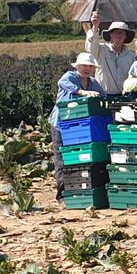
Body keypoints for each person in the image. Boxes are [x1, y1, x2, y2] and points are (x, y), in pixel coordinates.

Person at [49, 53, 105, 201]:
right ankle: (62, 194)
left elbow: (103, 96)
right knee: (62, 158)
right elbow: (62, 83)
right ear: (77, 66)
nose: (87, 68)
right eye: (84, 65)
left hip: (82, 128)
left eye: (90, 66)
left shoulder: (93, 82)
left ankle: (80, 190)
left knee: (78, 158)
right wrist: (82, 92)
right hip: (61, 125)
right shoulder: (70, 77)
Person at [85, 9, 136, 95]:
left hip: (124, 97)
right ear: (110, 35)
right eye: (116, 32)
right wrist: (95, 26)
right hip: (102, 95)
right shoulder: (101, 49)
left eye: (121, 33)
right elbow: (90, 47)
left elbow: (133, 76)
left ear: (126, 36)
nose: (118, 35)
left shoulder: (130, 55)